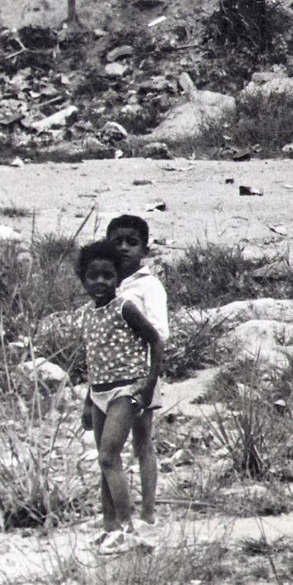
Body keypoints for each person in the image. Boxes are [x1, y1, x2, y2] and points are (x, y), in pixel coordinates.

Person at [75, 239, 163, 554]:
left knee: (108, 457)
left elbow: (155, 340)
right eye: (93, 276)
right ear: (82, 279)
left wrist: (149, 383)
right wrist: (88, 400)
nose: (100, 282)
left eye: (107, 276)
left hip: (125, 391)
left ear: (117, 278)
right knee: (105, 463)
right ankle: (109, 527)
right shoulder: (86, 314)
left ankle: (126, 529)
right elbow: (93, 359)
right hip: (98, 392)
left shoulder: (124, 307)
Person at [106, 214, 168, 529]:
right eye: (117, 242)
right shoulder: (106, 282)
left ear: (144, 248)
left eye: (132, 242)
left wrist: (149, 380)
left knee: (141, 441)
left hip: (140, 371)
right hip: (109, 374)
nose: (125, 248)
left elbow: (159, 332)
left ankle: (147, 513)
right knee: (109, 447)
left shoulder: (148, 285)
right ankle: (116, 517)